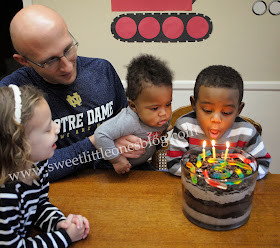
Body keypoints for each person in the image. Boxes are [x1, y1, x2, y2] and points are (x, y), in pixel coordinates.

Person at [0, 5, 144, 182]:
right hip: (60, 192)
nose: (67, 67)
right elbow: (22, 172)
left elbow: (128, 126)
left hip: (118, 178)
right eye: (50, 60)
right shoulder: (11, 95)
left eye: (68, 49)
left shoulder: (102, 70)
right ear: (23, 61)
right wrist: (95, 144)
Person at [0, 85, 90, 247]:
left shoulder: (37, 164)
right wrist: (65, 237)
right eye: (47, 128)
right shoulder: (5, 198)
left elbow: (38, 204)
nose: (57, 128)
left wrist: (59, 223)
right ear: (20, 144)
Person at [167, 65, 271, 179]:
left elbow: (262, 165)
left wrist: (231, 178)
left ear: (238, 110)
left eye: (226, 112)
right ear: (194, 104)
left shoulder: (246, 132)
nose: (216, 119)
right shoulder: (185, 127)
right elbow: (173, 164)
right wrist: (205, 176)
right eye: (207, 110)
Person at [94, 54, 173, 174]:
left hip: (140, 165)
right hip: (110, 168)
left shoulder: (161, 118)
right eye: (155, 108)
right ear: (133, 106)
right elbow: (100, 135)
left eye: (168, 104)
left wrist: (165, 128)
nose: (164, 113)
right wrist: (116, 160)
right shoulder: (128, 121)